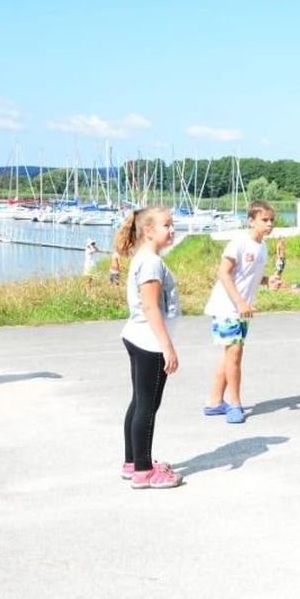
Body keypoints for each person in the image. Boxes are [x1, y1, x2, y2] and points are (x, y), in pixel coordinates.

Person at [115, 207, 182, 489]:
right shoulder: (151, 263)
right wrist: (167, 346)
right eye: (167, 225)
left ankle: (133, 462)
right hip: (150, 342)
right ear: (149, 230)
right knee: (148, 406)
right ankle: (143, 471)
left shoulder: (146, 259)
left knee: (139, 401)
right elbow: (151, 305)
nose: (172, 230)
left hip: (139, 337)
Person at [201, 201, 275, 425]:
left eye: (272, 220)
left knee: (229, 356)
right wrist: (240, 302)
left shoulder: (262, 247)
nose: (270, 224)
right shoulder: (239, 243)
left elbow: (248, 275)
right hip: (227, 307)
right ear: (251, 220)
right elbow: (223, 273)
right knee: (235, 355)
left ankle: (214, 402)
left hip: (242, 310)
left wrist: (267, 280)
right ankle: (235, 403)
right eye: (265, 220)